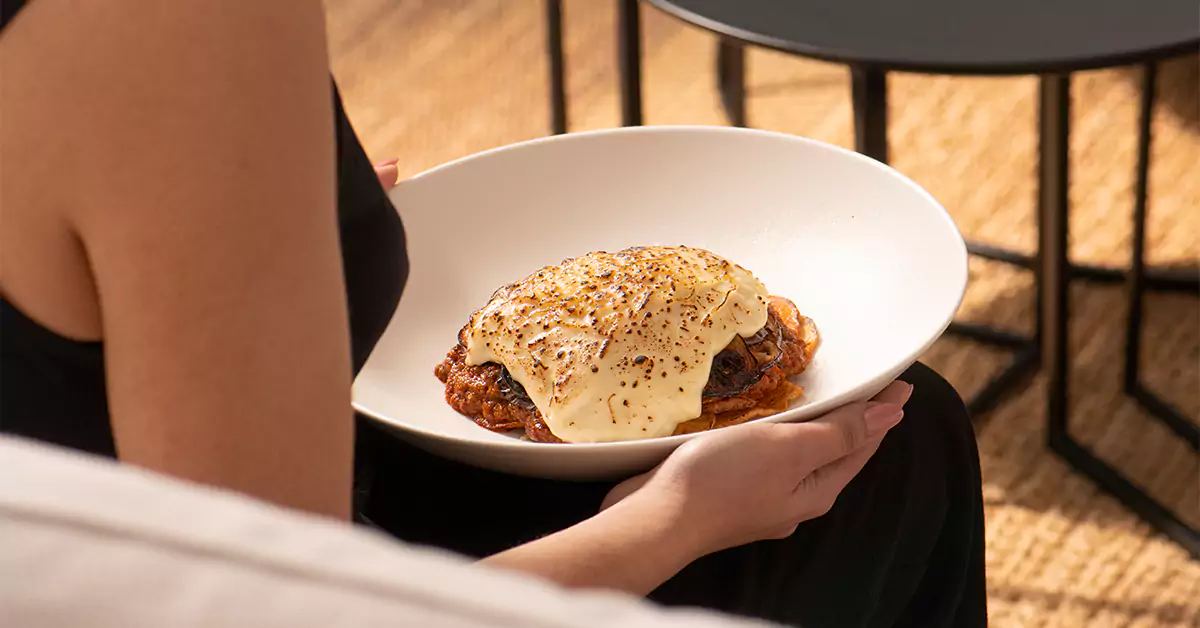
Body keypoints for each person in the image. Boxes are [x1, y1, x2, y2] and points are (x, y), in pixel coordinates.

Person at [0, 1, 986, 626]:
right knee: (900, 455)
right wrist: (668, 525)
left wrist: (272, 235)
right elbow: (282, 605)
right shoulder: (178, 27)